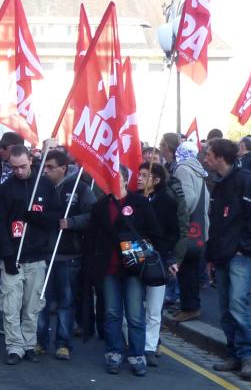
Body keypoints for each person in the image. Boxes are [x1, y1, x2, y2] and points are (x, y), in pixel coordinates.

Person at [82, 171, 167, 377]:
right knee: (112, 313)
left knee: (135, 314)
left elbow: (155, 233)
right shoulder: (100, 206)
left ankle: (137, 355)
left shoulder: (139, 202)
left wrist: (140, 248)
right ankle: (114, 352)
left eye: (116, 177)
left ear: (123, 180)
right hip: (109, 268)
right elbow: (92, 239)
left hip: (133, 268)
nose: (112, 182)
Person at [205, 138, 251, 379]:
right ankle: (233, 353)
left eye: (209, 154)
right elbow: (216, 223)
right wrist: (210, 256)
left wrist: (244, 248)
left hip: (239, 256)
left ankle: (247, 356)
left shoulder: (246, 181)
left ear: (221, 157)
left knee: (237, 304)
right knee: (225, 307)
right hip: (222, 255)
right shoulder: (219, 183)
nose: (206, 158)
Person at [0, 145, 52, 365]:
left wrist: (37, 218)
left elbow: (55, 218)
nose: (19, 171)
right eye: (14, 167)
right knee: (11, 305)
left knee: (32, 306)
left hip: (36, 256)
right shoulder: (5, 189)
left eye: (23, 166)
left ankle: (29, 343)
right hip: (13, 257)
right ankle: (14, 346)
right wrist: (6, 255)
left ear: (31, 162)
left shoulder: (44, 186)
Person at [35, 149, 94, 361]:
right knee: (40, 301)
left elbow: (93, 215)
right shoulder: (40, 187)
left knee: (65, 302)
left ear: (63, 168)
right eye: (44, 167)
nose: (46, 171)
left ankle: (63, 343)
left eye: (50, 167)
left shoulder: (81, 188)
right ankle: (40, 341)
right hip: (43, 253)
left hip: (69, 254)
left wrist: (73, 222)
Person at [139, 162, 181, 366]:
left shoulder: (166, 202)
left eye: (144, 175)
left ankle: (150, 346)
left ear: (155, 180)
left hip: (157, 260)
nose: (139, 178)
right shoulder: (135, 200)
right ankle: (136, 342)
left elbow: (173, 233)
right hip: (136, 259)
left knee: (154, 308)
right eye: (139, 174)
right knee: (135, 304)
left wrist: (167, 255)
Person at [169, 140, 209, 323]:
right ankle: (191, 306)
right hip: (200, 229)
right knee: (190, 270)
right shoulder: (197, 169)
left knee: (185, 270)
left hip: (188, 229)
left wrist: (180, 217)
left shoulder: (183, 169)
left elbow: (187, 198)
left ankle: (190, 307)